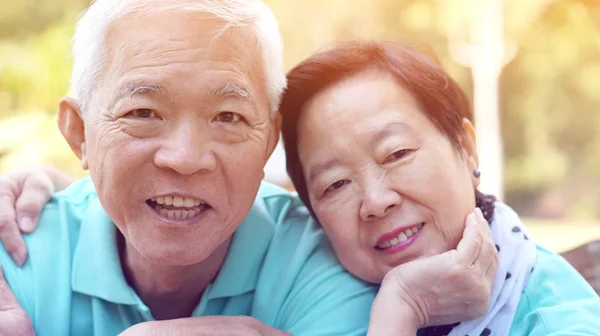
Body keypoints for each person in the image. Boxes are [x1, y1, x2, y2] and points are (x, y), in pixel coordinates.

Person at [0, 1, 500, 335]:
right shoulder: (15, 253)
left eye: (228, 117)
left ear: (268, 141)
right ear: (80, 133)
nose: (186, 158)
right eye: (143, 113)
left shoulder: (322, 260)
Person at [276, 41, 600, 335]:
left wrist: (405, 307)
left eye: (397, 154)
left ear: (466, 148)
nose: (375, 201)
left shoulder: (559, 324)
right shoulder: (298, 305)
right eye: (336, 184)